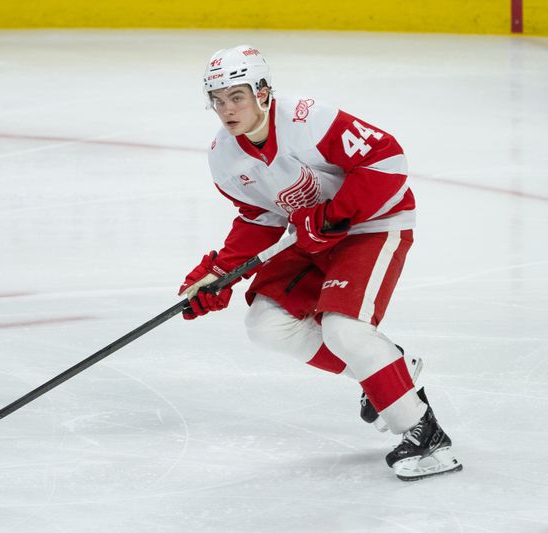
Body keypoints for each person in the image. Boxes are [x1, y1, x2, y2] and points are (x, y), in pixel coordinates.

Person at [178, 44, 462, 481]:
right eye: (217, 100)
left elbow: (387, 161)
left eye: (237, 96)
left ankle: (426, 437)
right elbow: (260, 215)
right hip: (313, 238)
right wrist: (219, 274)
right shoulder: (224, 157)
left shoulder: (309, 120)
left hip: (373, 222)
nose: (227, 110)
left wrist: (331, 216)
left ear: (263, 92)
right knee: (268, 326)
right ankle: (389, 372)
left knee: (344, 329)